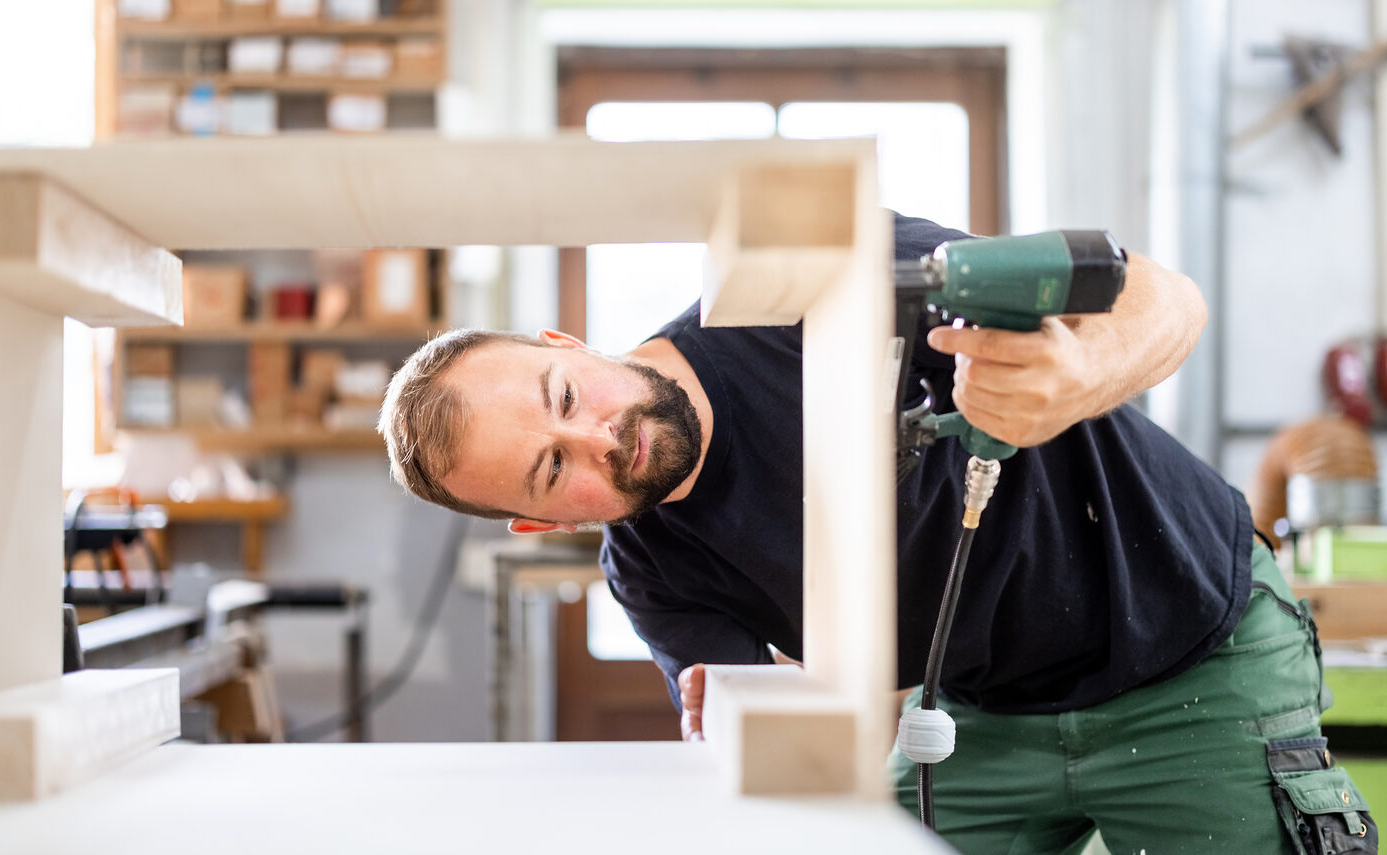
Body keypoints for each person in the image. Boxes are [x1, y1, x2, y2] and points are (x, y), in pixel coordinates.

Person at [378, 214, 1377, 854]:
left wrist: (1082, 374)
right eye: (554, 467)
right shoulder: (652, 570)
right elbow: (759, 736)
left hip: (1189, 653)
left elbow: (1161, 294)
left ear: (565, 344)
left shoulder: (810, 291)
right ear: (537, 519)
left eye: (564, 393)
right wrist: (741, 720)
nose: (600, 435)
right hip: (981, 719)